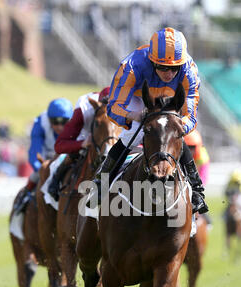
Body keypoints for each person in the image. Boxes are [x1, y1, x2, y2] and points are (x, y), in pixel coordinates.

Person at [92, 27, 208, 214]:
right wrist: (134, 116)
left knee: (174, 136)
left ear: (182, 64)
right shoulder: (131, 66)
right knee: (132, 134)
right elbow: (113, 107)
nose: (168, 73)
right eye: (162, 67)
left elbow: (190, 116)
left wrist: (177, 128)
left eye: (174, 68)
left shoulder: (189, 71)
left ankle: (196, 190)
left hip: (171, 99)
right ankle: (101, 182)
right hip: (139, 97)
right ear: (152, 61)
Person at [47, 87, 110, 202]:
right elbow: (59, 145)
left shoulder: (129, 105)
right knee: (73, 155)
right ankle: (55, 182)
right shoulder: (84, 108)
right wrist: (82, 144)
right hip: (87, 136)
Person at [14, 98, 73, 214]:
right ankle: (23, 199)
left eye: (64, 121)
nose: (59, 126)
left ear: (70, 119)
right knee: (35, 175)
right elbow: (34, 152)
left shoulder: (76, 120)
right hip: (47, 157)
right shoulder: (40, 123)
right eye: (55, 121)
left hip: (68, 157)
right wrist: (41, 169)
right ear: (49, 119)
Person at [184, 128, 212, 226]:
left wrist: (197, 186)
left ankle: (206, 219)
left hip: (196, 180)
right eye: (188, 147)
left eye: (193, 147)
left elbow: (203, 175)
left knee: (199, 198)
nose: (190, 151)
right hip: (183, 178)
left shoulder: (203, 156)